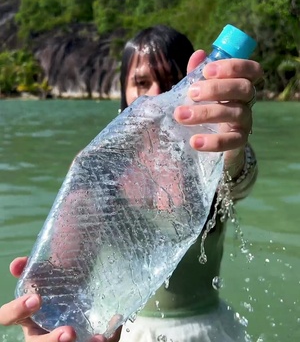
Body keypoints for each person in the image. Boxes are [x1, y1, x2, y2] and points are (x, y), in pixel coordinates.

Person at [0, 25, 262, 342]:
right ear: (124, 91)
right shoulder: (101, 168)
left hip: (207, 330)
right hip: (129, 333)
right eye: (141, 82)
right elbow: (68, 264)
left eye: (170, 82)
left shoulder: (210, 156)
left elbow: (238, 179)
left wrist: (232, 145)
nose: (155, 93)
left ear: (191, 86)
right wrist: (49, 314)